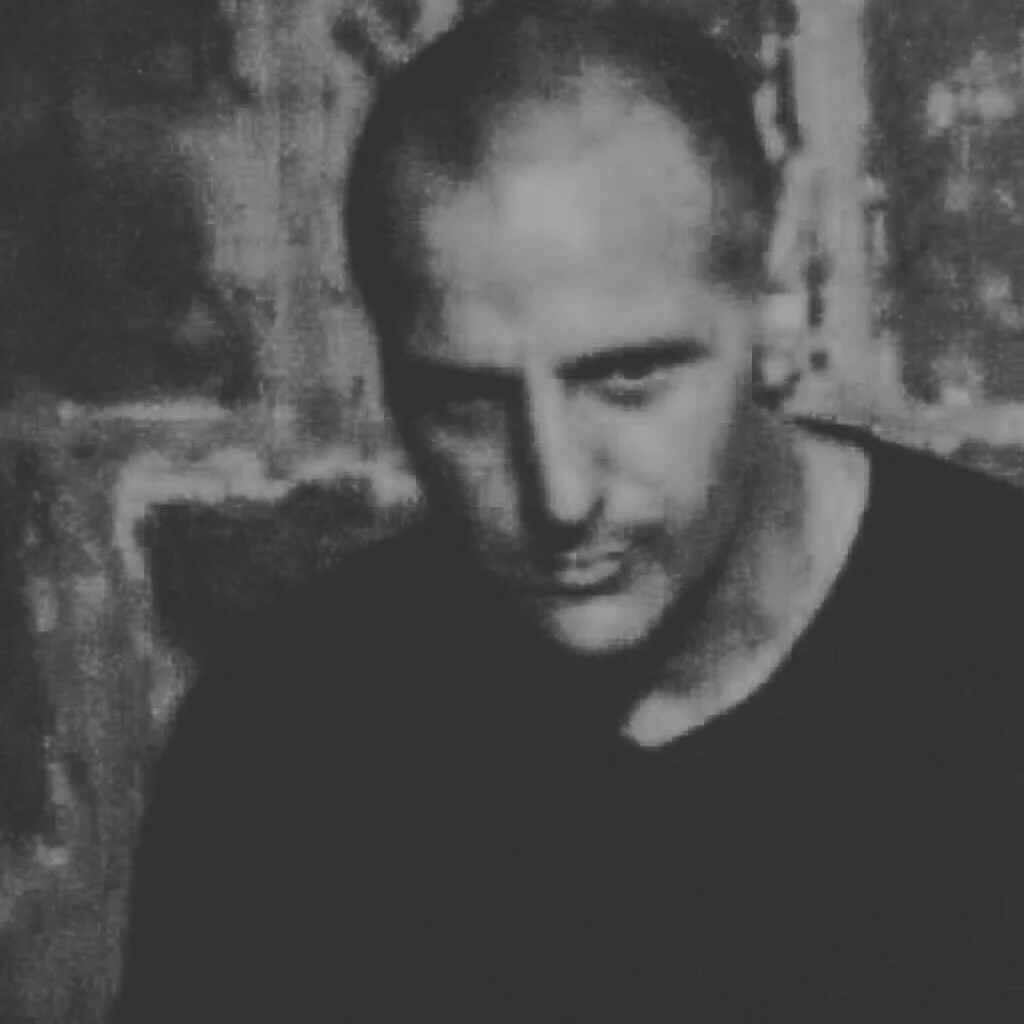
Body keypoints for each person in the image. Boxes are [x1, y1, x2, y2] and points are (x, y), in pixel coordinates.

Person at [110, 2, 1024, 1021]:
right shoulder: (285, 744)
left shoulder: (998, 656)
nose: (559, 493)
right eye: (466, 403)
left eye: (627, 379)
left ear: (775, 290)